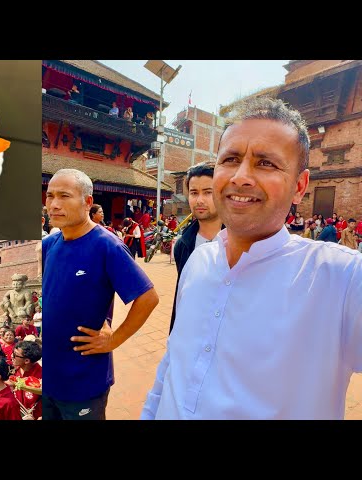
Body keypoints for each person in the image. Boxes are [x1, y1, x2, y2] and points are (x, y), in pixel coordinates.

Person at [141, 96, 362, 420]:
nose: (240, 176)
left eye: (266, 163)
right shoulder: (198, 262)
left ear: (300, 186)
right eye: (230, 159)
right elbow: (173, 363)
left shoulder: (341, 278)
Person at [43, 168, 159, 420]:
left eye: (64, 196)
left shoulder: (107, 246)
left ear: (87, 202)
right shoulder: (50, 244)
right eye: (50, 196)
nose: (53, 204)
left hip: (83, 379)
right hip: (49, 376)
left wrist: (115, 339)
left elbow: (148, 297)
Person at [170, 162, 224, 333]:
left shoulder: (241, 241)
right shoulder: (183, 244)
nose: (199, 200)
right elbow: (182, 295)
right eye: (194, 193)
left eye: (208, 192)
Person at [11, 340, 42, 420]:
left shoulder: (43, 375)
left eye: (15, 355)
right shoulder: (12, 371)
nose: (12, 356)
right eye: (12, 352)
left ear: (27, 361)